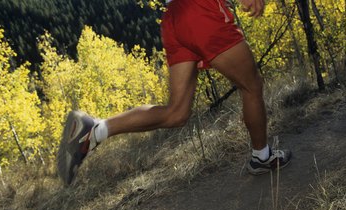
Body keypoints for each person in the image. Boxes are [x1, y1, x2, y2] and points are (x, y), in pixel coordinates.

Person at [57, 0, 291, 185]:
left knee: (177, 113)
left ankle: (96, 130)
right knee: (252, 85)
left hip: (173, 18)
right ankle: (261, 157)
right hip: (201, 11)